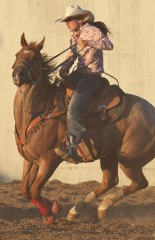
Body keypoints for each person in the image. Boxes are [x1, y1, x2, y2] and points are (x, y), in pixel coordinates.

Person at [54, 4, 113, 162]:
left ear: (79, 20)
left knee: (73, 110)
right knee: (56, 93)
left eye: (69, 19)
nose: (67, 23)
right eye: (65, 20)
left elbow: (108, 45)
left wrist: (89, 43)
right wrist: (63, 69)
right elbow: (71, 55)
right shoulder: (74, 35)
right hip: (79, 74)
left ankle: (74, 147)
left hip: (91, 77)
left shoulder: (92, 31)